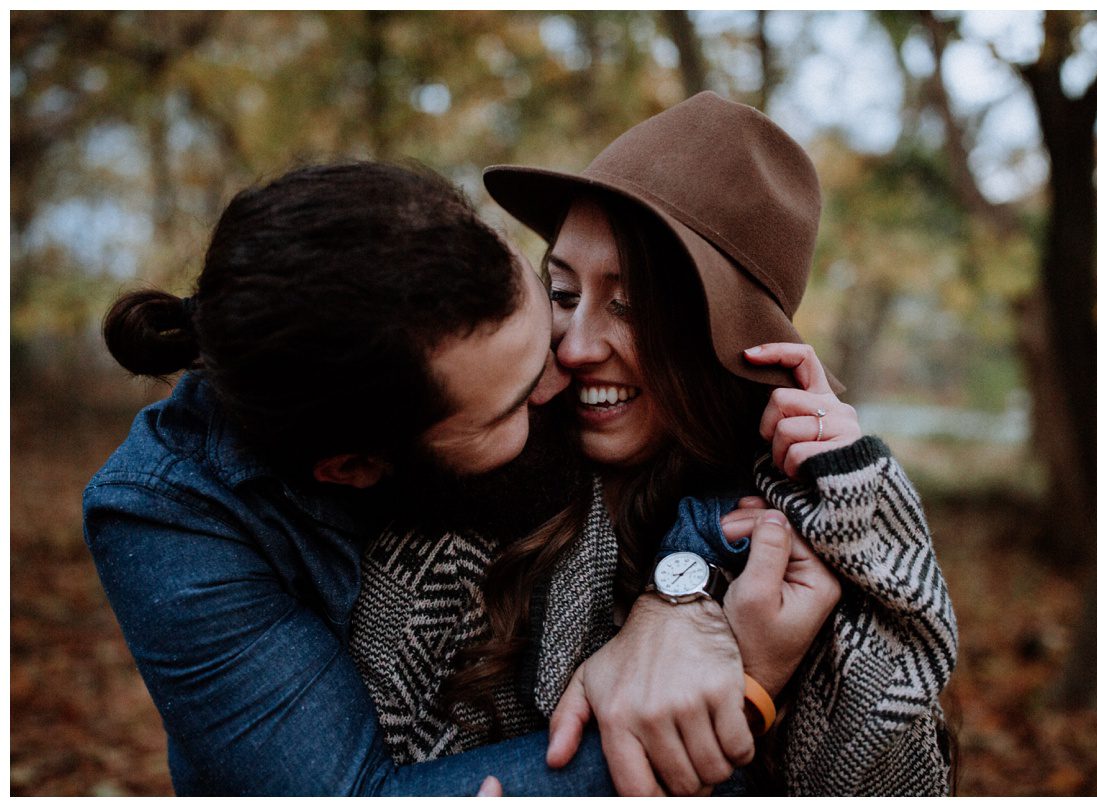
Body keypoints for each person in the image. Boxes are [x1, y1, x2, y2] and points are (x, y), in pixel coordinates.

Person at [351, 91, 958, 796]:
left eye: (629, 304)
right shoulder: (460, 500)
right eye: (563, 292)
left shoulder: (793, 557)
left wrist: (858, 507)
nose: (574, 347)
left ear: (726, 344)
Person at [82, 161, 613, 796]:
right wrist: (723, 709)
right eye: (516, 399)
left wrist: (679, 602)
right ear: (355, 467)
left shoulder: (470, 327)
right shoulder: (168, 514)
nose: (565, 374)